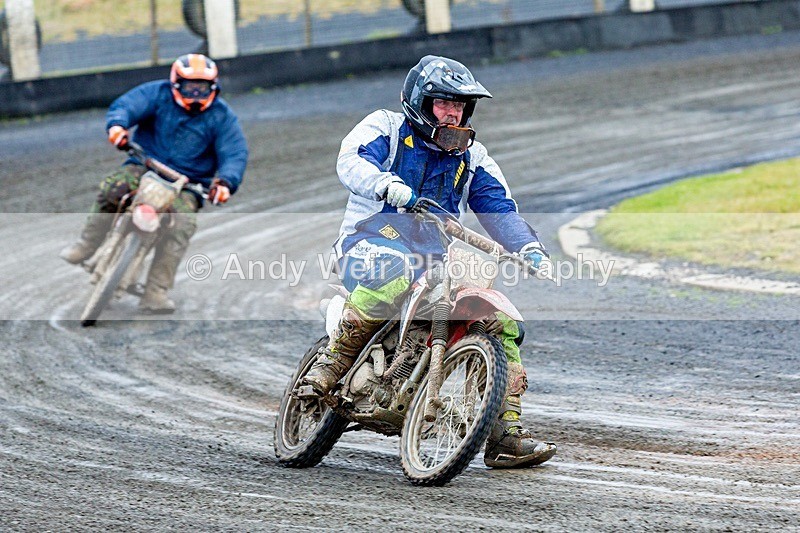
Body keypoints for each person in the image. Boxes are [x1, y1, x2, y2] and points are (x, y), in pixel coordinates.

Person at [303, 55, 557, 468]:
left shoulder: (473, 157)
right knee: (394, 270)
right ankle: (332, 365)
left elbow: (499, 207)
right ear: (420, 102)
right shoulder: (386, 127)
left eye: (460, 106)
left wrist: (528, 247)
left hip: (436, 260)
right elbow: (351, 160)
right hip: (368, 242)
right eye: (444, 103)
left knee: (501, 324)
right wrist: (387, 184)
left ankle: (505, 434)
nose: (453, 113)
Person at [60, 53, 248, 313]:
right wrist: (118, 126)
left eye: (202, 88)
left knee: (181, 225)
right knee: (114, 187)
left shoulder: (222, 116)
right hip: (143, 165)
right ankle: (87, 244)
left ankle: (156, 291)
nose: (196, 94)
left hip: (187, 184)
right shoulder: (156, 94)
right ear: (176, 84)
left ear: (213, 87)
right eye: (190, 87)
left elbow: (235, 153)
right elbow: (127, 105)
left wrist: (226, 182)